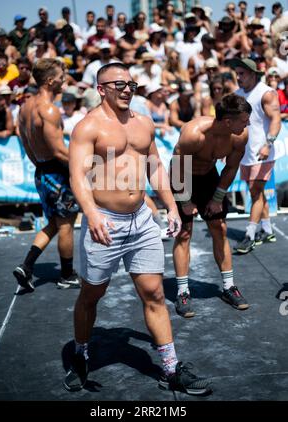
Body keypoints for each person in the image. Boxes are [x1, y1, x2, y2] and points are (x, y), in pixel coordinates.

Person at [64, 62, 212, 395]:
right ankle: (80, 354)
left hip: (142, 220)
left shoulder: (143, 123)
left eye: (131, 83)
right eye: (119, 84)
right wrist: (91, 213)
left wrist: (171, 205)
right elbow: (77, 176)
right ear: (101, 89)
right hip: (104, 220)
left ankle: (171, 369)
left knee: (155, 294)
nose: (127, 88)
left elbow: (156, 167)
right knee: (92, 294)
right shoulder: (88, 127)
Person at [171, 94, 251, 318]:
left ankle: (228, 286)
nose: (248, 124)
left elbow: (230, 168)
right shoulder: (194, 134)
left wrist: (217, 198)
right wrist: (185, 201)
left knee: (220, 227)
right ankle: (183, 291)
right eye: (244, 120)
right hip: (183, 177)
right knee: (184, 233)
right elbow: (177, 168)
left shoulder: (238, 137)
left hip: (208, 178)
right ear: (228, 121)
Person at [13, 58, 80, 291]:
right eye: (61, 76)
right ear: (50, 81)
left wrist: (43, 167)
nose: (64, 80)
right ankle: (67, 275)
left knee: (54, 222)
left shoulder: (24, 108)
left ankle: (27, 266)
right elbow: (59, 150)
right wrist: (88, 165)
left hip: (42, 171)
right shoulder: (49, 109)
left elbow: (28, 147)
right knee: (66, 226)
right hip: (56, 171)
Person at [229, 58, 281, 253]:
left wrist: (268, 144)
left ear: (253, 74)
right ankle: (267, 230)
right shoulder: (237, 95)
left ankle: (249, 235)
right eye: (237, 73)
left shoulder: (266, 93)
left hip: (264, 152)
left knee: (256, 190)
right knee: (254, 192)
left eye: (242, 73)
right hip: (246, 153)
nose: (238, 76)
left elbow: (275, 119)